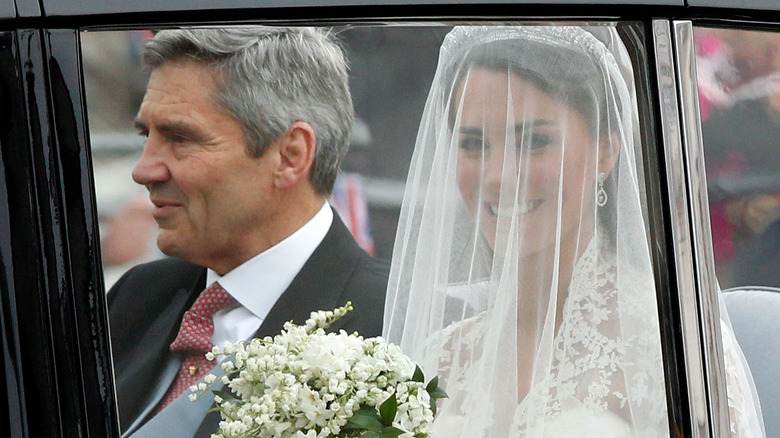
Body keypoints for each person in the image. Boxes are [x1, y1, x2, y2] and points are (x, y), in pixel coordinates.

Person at [384, 25, 764, 436]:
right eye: (474, 144)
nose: (496, 176)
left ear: (606, 149)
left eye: (533, 142)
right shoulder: (442, 355)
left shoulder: (667, 351)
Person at [107, 27, 387, 437]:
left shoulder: (392, 325)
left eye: (180, 138)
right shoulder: (138, 296)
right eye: (147, 136)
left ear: (290, 155)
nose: (144, 170)